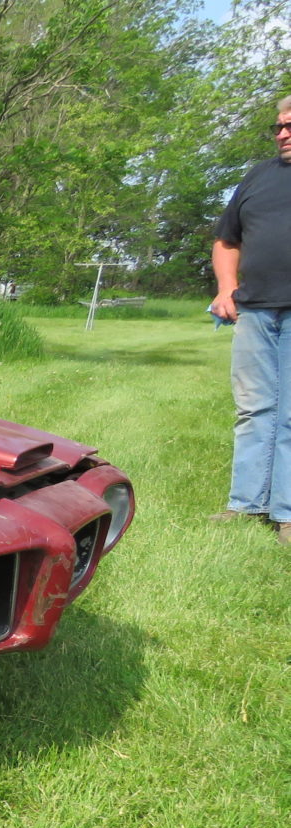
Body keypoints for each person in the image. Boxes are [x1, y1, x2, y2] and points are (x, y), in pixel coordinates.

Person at [209, 95, 291, 547]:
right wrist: (226, 288)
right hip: (256, 309)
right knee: (255, 408)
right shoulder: (258, 178)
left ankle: (287, 513)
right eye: (278, 126)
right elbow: (226, 240)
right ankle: (247, 504)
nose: (281, 133)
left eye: (290, 126)